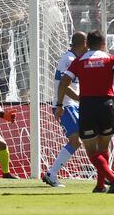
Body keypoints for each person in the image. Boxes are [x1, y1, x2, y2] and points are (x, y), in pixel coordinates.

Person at [55, 30, 114, 193]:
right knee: (103, 148)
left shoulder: (79, 61)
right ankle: (100, 185)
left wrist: (60, 104)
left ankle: (111, 179)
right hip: (107, 105)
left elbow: (64, 82)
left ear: (87, 44)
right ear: (103, 43)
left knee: (91, 150)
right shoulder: (111, 58)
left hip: (88, 105)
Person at [42, 31, 87, 187]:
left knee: (84, 139)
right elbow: (64, 85)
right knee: (76, 140)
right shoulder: (68, 60)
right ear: (84, 43)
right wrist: (63, 104)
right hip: (67, 105)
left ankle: (105, 173)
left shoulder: (73, 58)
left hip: (71, 105)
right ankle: (51, 174)